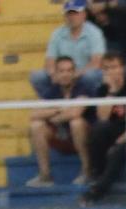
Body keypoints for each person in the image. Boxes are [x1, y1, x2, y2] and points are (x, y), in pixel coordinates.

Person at [80, 52, 126, 206]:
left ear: (123, 68)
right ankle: (96, 173)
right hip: (110, 132)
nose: (110, 72)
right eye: (106, 68)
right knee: (99, 129)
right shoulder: (102, 90)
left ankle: (98, 189)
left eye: (114, 67)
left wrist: (120, 141)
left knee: (117, 151)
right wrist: (111, 91)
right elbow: (102, 117)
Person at [28, 56, 94, 189]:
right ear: (56, 74)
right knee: (36, 126)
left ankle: (87, 171)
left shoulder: (83, 88)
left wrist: (52, 115)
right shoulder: (52, 91)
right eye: (62, 71)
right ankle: (45, 175)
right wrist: (59, 110)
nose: (66, 74)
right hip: (61, 136)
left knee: (76, 122)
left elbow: (76, 113)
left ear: (75, 73)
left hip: (84, 137)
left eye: (69, 71)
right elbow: (33, 114)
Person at [35, 0, 107, 98]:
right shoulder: (57, 33)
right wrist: (54, 74)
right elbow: (50, 60)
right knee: (38, 77)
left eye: (75, 13)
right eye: (68, 14)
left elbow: (96, 62)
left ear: (84, 14)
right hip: (63, 74)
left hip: (83, 74)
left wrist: (74, 75)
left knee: (91, 76)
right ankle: (51, 104)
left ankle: (88, 107)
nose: (71, 17)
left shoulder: (94, 33)